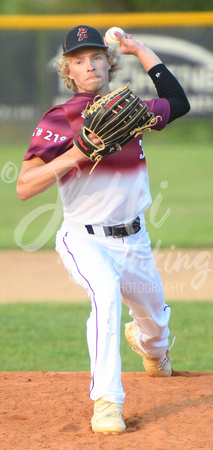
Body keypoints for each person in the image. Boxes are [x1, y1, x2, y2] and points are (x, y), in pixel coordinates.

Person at [16, 25, 190, 434]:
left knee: (157, 332)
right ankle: (107, 402)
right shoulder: (59, 119)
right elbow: (25, 186)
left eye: (96, 57)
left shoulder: (130, 109)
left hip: (135, 240)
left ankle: (151, 346)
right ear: (69, 72)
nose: (90, 65)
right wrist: (76, 153)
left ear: (109, 63)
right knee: (106, 293)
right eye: (79, 61)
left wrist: (140, 48)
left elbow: (178, 103)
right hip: (84, 238)